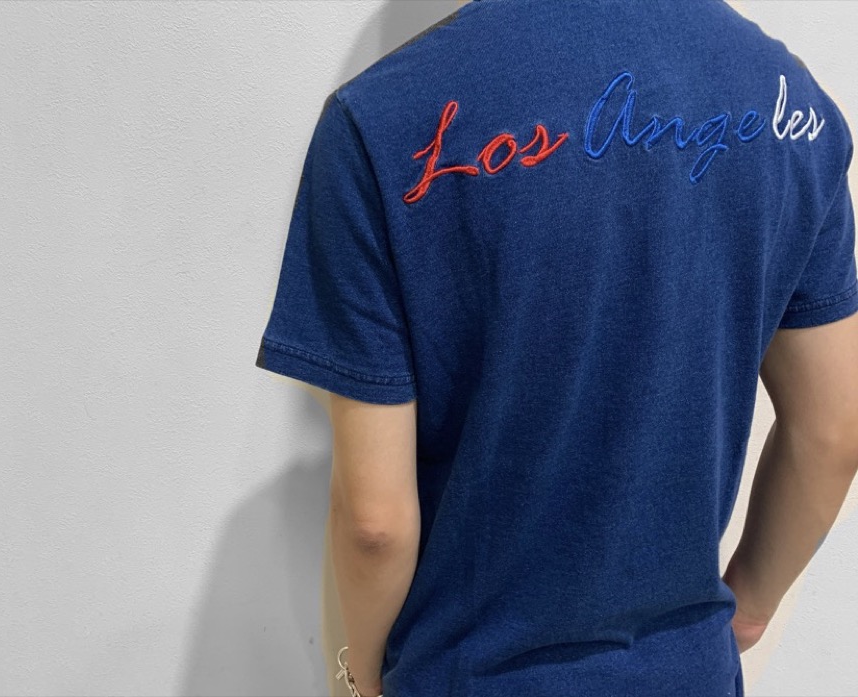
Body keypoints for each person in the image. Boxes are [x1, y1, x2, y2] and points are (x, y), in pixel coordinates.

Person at [254, 0, 858, 694]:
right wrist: (747, 608)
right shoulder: (793, 108)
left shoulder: (380, 119)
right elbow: (833, 431)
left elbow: (375, 525)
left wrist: (357, 678)